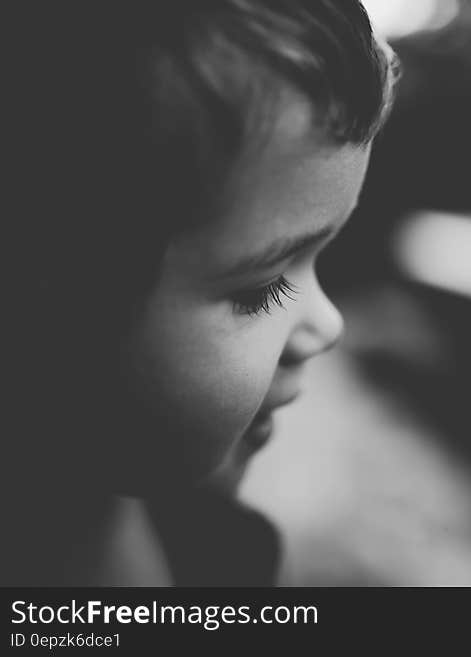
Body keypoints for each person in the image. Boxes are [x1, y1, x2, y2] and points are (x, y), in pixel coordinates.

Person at [3, 0, 397, 585]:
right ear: (40, 301)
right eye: (261, 290)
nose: (328, 323)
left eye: (318, 258)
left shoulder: (224, 552)